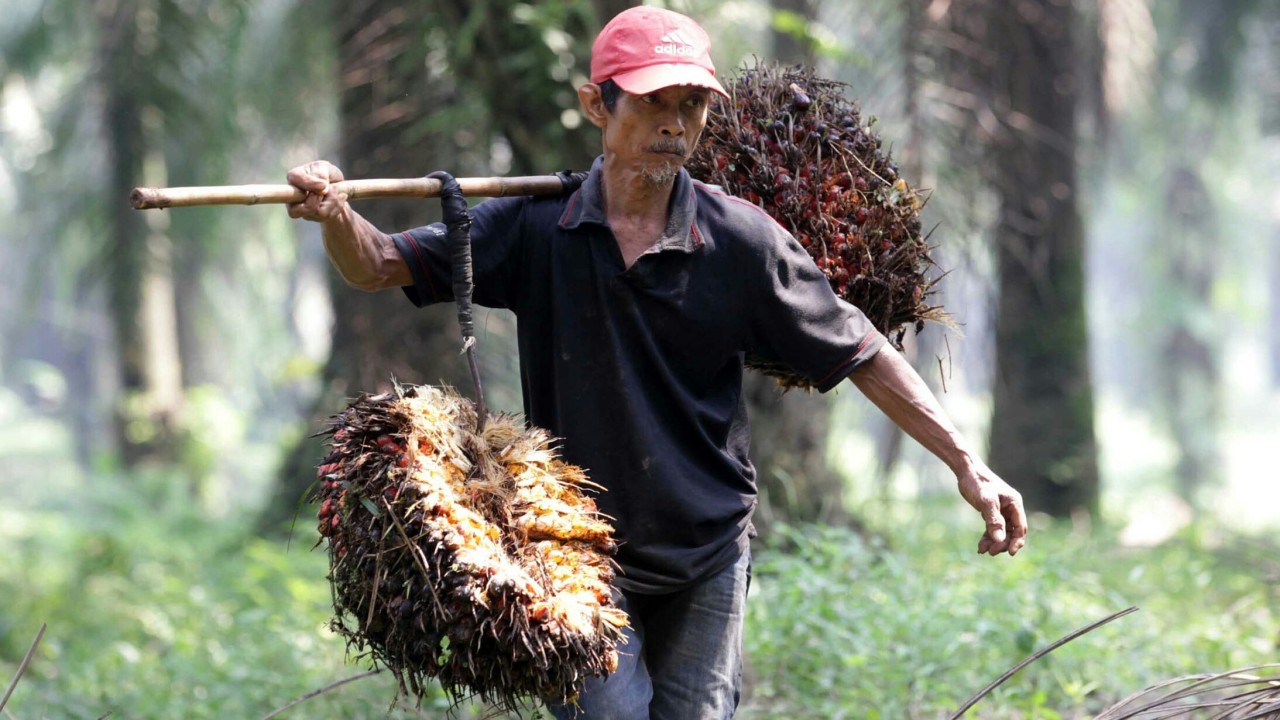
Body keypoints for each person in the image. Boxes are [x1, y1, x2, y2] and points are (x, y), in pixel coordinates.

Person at [286, 6, 1027, 719]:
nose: (675, 125)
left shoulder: (743, 244)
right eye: (651, 104)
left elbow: (860, 350)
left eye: (691, 105)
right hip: (573, 553)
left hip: (706, 549)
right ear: (596, 105)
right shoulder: (535, 229)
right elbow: (381, 263)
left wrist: (968, 463)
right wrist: (336, 213)